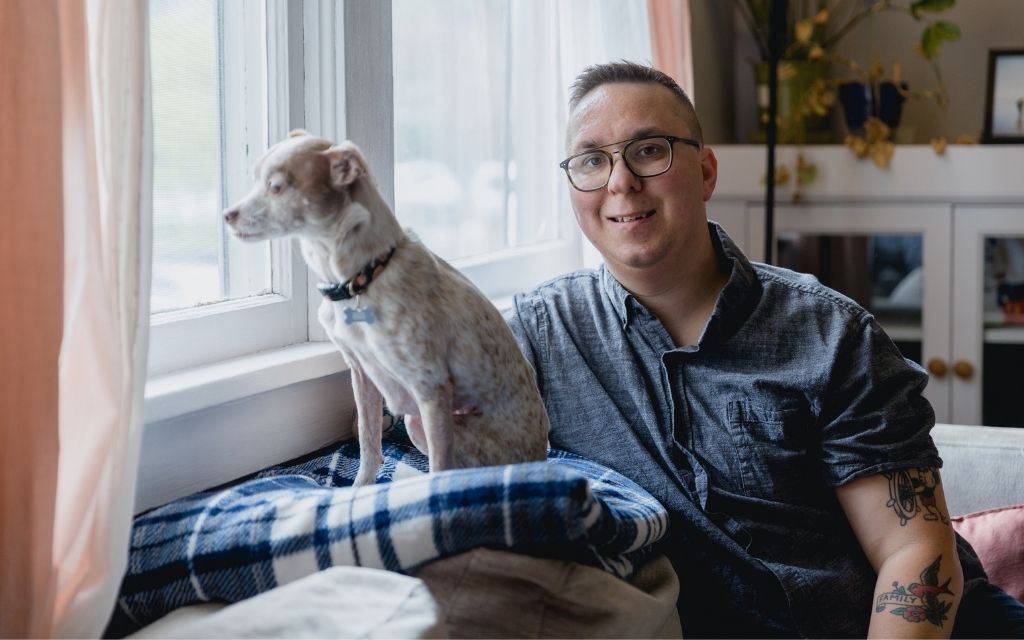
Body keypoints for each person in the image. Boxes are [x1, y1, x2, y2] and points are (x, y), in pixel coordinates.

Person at [504, 61, 1024, 638]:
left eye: (649, 150)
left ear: (705, 172)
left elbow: (914, 552)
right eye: (592, 160)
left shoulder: (831, 334)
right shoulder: (536, 337)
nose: (620, 181)